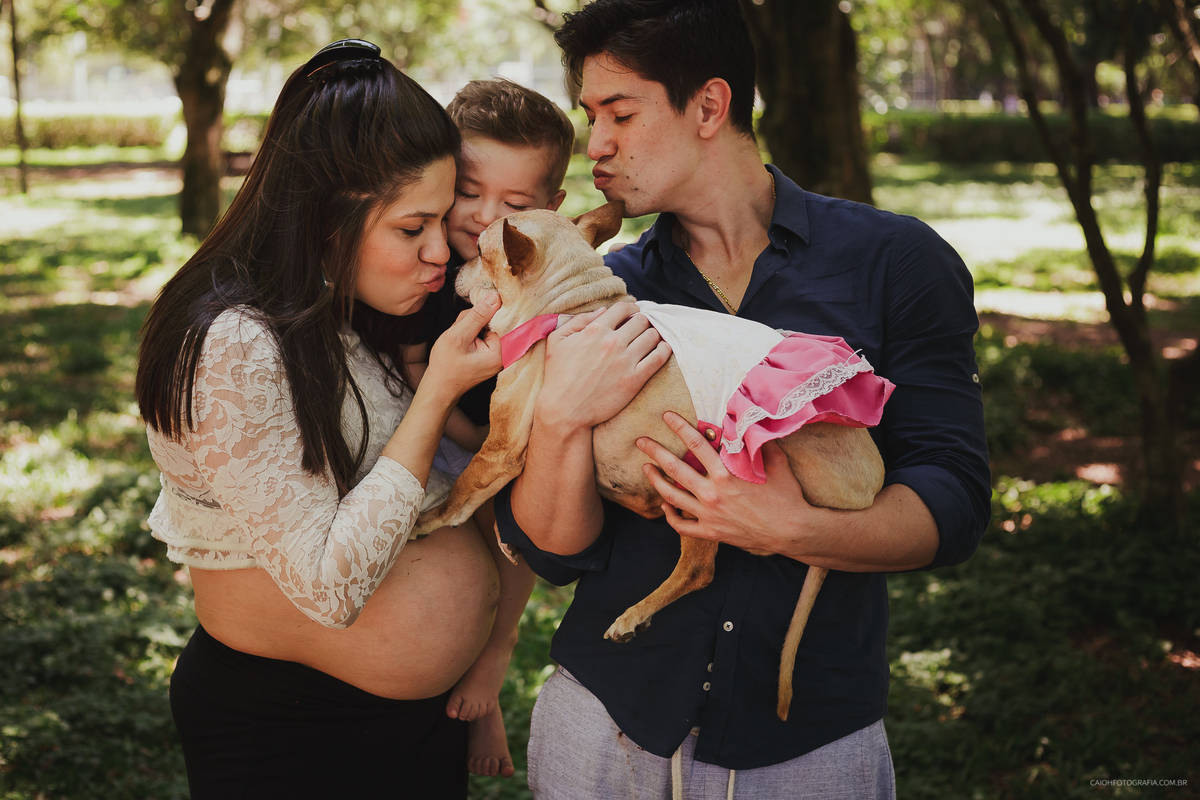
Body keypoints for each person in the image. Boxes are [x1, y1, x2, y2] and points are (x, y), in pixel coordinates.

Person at [491, 1, 992, 798]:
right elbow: (554, 555)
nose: (600, 145)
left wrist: (791, 528)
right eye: (591, 117)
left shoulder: (896, 263)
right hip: (604, 723)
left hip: (809, 744)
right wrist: (555, 419)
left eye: (621, 113)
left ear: (710, 107)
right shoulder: (608, 289)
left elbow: (955, 499)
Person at [136, 39, 506, 798]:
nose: (439, 251)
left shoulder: (344, 311)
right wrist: (435, 393)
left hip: (407, 720)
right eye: (413, 228)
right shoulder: (232, 343)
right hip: (293, 733)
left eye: (444, 221)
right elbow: (328, 587)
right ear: (327, 215)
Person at [397, 77, 577, 778]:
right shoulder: (420, 248)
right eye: (469, 190)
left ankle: (494, 654)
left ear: (552, 210)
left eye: (516, 203)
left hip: (497, 436)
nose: (483, 218)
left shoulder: (531, 272)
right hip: (421, 420)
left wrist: (482, 447)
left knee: (508, 533)